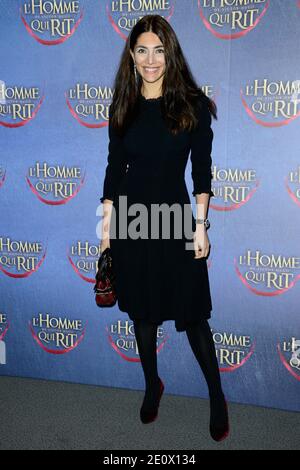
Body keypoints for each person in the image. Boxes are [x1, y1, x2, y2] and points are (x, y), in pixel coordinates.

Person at [99, 14, 229, 442]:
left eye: (158, 50)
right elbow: (114, 169)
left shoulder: (191, 105)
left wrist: (202, 225)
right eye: (142, 50)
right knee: (143, 313)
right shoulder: (123, 104)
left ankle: (216, 395)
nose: (150, 59)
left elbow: (202, 173)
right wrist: (105, 232)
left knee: (193, 315)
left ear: (169, 54)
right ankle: (152, 384)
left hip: (174, 219)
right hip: (132, 222)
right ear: (131, 57)